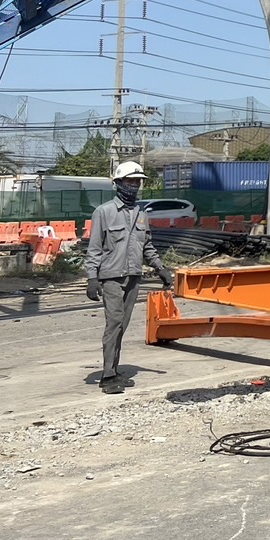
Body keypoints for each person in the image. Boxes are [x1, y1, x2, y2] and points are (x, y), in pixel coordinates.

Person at [84, 161, 173, 394]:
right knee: (113, 324)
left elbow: (147, 246)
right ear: (118, 183)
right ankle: (107, 376)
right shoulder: (104, 212)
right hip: (111, 277)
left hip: (133, 276)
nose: (134, 185)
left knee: (121, 326)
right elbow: (94, 248)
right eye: (130, 181)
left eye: (137, 181)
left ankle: (114, 369)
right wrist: (92, 278)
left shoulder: (141, 214)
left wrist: (161, 268)